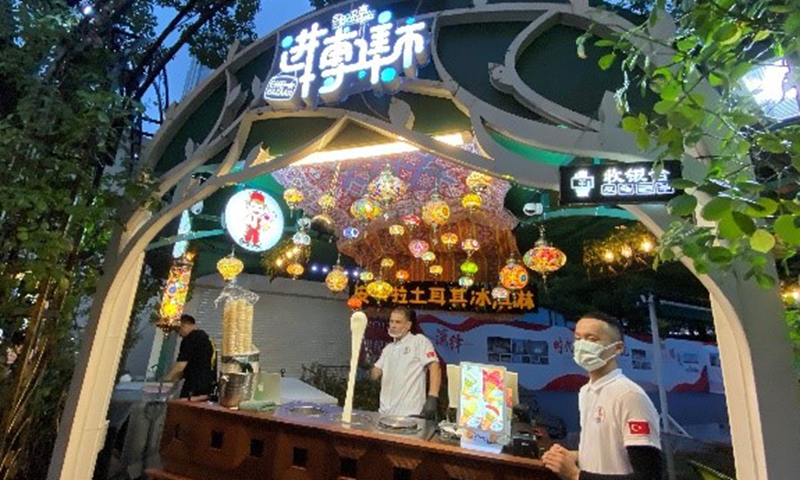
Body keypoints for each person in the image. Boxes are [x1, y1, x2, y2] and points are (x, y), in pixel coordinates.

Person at [542, 311, 662, 480]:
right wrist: (573, 456)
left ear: (618, 348)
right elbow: (608, 452)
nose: (582, 345)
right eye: (578, 338)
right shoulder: (586, 391)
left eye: (592, 339)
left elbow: (648, 476)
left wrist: (576, 475)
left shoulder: (629, 396)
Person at [370, 307, 441, 419]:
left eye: (398, 322)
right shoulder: (388, 349)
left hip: (410, 412)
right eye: (391, 321)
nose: (393, 325)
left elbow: (434, 366)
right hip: (385, 412)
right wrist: (371, 368)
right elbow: (376, 373)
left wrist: (433, 396)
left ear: (408, 325)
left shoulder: (419, 341)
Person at [164, 314, 217, 399]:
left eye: (178, 330)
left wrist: (165, 382)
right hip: (207, 390)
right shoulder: (207, 339)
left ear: (184, 325)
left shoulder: (191, 338)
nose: (179, 334)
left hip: (193, 389)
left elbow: (180, 365)